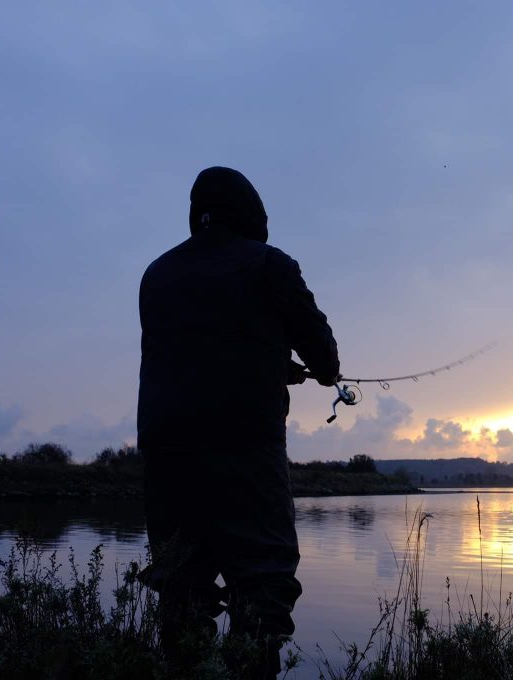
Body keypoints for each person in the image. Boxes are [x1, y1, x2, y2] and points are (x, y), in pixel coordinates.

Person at [137, 166, 340, 677]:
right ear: (253, 215)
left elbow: (203, 350)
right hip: (247, 455)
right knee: (264, 585)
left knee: (182, 588)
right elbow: (326, 358)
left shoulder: (156, 275)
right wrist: (307, 369)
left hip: (166, 462)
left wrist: (271, 362)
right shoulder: (270, 265)